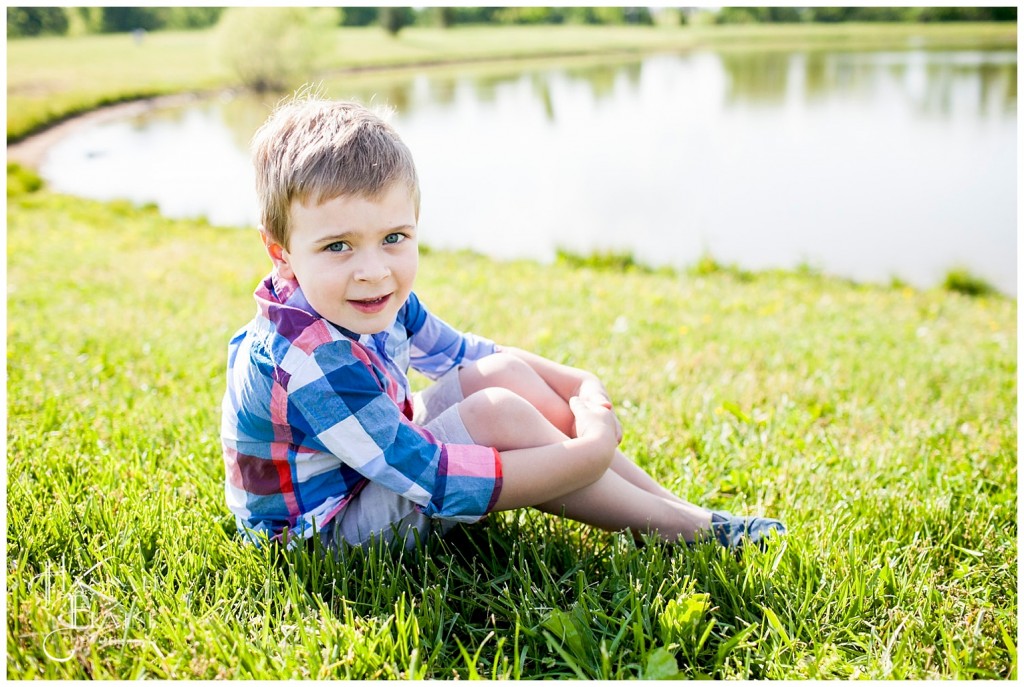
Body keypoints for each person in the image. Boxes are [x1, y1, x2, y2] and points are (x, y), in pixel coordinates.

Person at [220, 96, 785, 553]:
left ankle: (685, 514)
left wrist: (578, 383)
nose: (373, 271)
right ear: (283, 254)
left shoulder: (370, 301)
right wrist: (581, 455)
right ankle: (681, 530)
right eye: (338, 246)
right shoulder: (313, 359)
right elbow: (433, 481)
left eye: (394, 238)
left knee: (505, 376)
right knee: (500, 415)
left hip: (367, 470)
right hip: (323, 536)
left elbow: (465, 354)